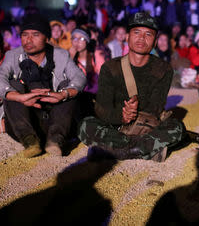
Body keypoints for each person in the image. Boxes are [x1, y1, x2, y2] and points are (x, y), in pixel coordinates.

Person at [77, 12, 184, 161]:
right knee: (85, 124)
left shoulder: (163, 69)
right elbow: (102, 108)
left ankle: (116, 151)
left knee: (177, 127)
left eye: (148, 34)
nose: (141, 38)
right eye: (137, 32)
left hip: (145, 127)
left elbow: (155, 109)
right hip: (116, 128)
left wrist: (133, 109)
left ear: (155, 41)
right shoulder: (110, 68)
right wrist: (122, 116)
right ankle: (143, 149)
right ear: (127, 37)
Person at [0, 14, 86, 157]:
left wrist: (63, 94)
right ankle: (29, 141)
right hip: (25, 120)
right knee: (12, 84)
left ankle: (56, 140)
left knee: (68, 86)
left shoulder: (61, 55)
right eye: (24, 35)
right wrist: (19, 97)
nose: (28, 40)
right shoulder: (13, 55)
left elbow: (79, 78)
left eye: (35, 34)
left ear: (46, 38)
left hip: (56, 118)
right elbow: (1, 76)